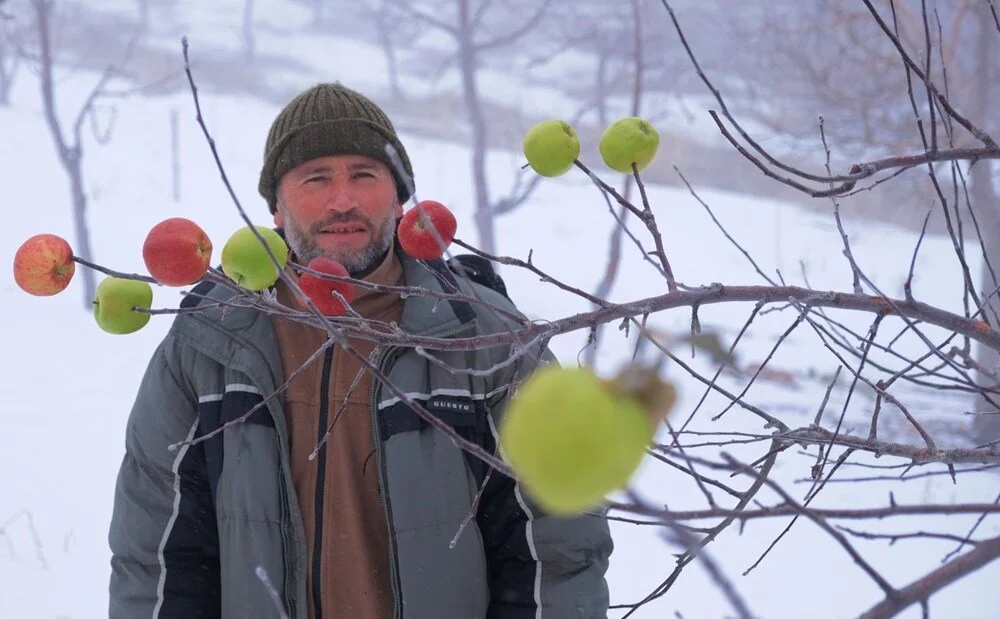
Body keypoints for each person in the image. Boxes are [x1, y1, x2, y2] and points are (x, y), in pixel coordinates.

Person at [107, 82, 613, 619]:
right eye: (316, 178)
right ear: (277, 209)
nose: (342, 200)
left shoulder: (482, 338)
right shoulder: (211, 341)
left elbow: (558, 550)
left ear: (399, 200)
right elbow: (158, 554)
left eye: (364, 175)